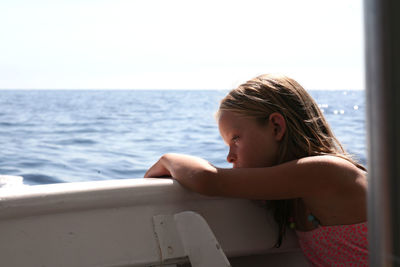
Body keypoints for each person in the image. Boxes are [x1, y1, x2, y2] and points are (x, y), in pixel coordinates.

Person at [144, 74, 368, 266]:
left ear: (276, 127)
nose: (229, 156)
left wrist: (168, 158)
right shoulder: (293, 195)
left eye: (236, 139)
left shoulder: (327, 172)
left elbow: (208, 180)